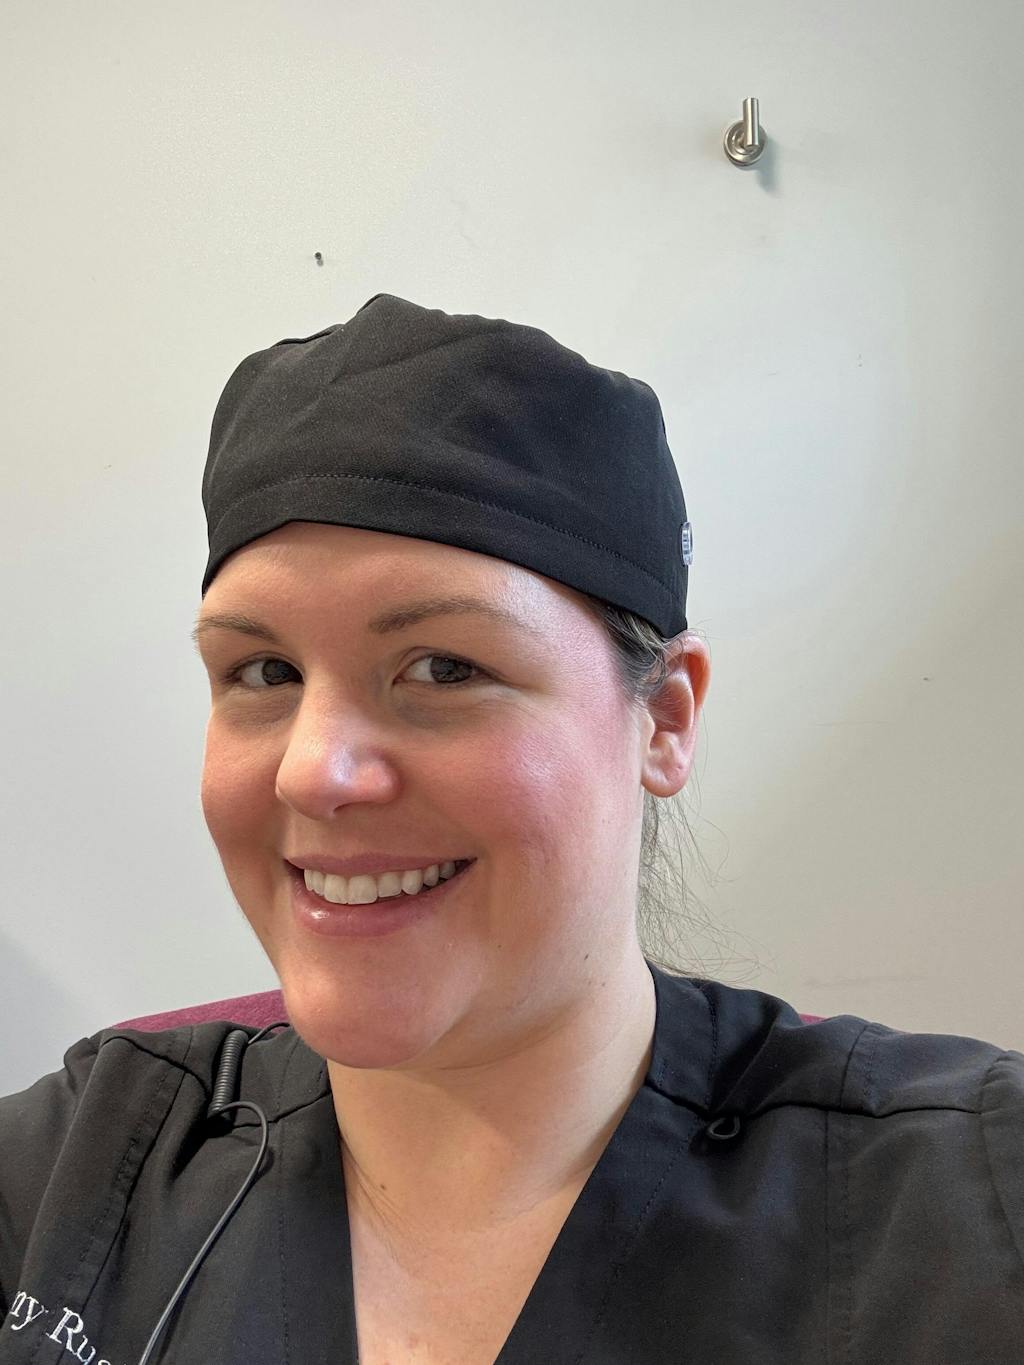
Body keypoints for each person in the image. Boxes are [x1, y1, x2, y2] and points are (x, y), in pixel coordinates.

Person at [1, 294, 1022, 1365]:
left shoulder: (963, 1209)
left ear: (665, 719)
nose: (312, 770)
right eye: (263, 671)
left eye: (444, 668)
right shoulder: (76, 1170)